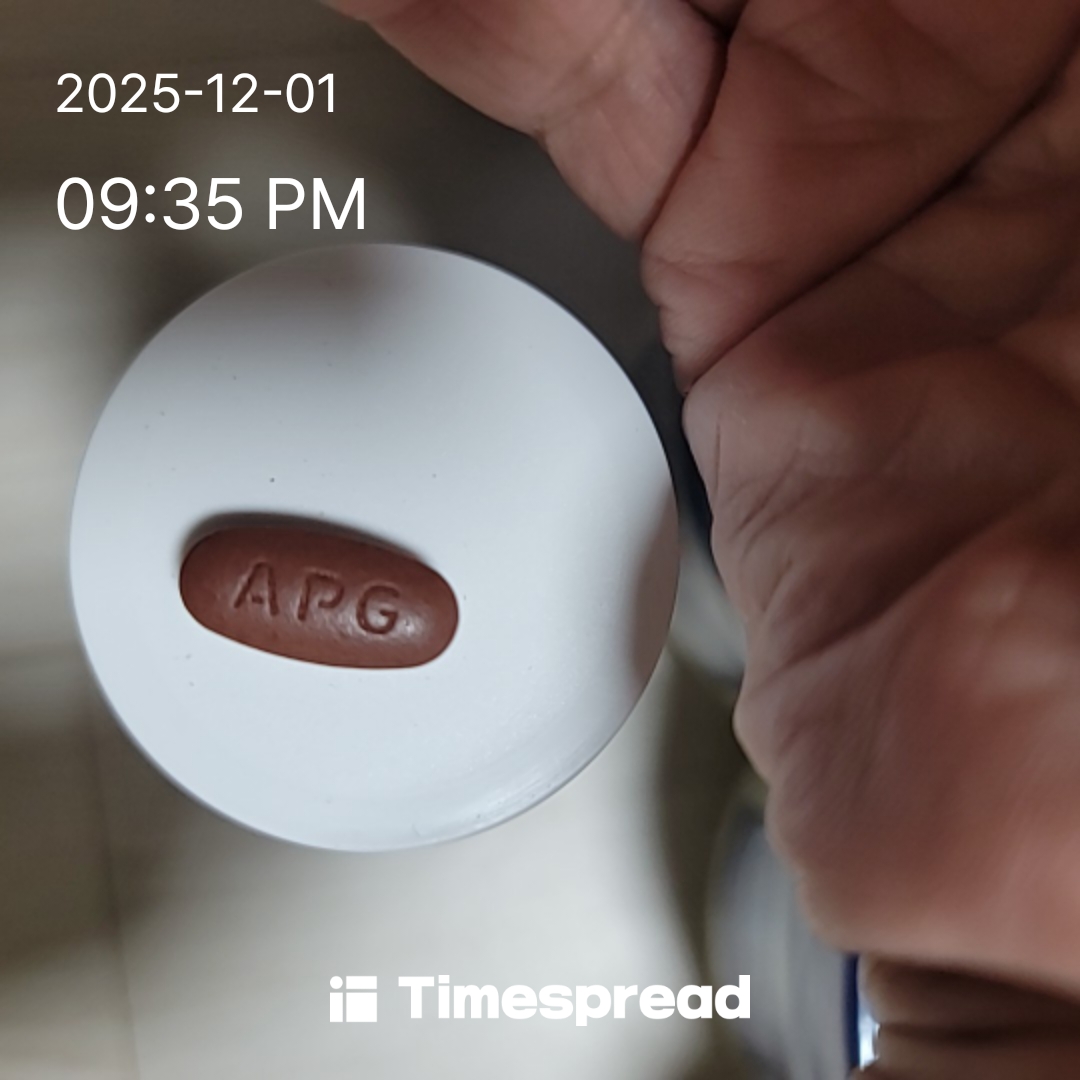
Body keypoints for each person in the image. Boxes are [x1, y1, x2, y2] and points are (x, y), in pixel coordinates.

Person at [327, 0, 1080, 1073]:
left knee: (702, 500)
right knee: (699, 490)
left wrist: (1007, 958)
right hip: (798, 427)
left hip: (801, 481)